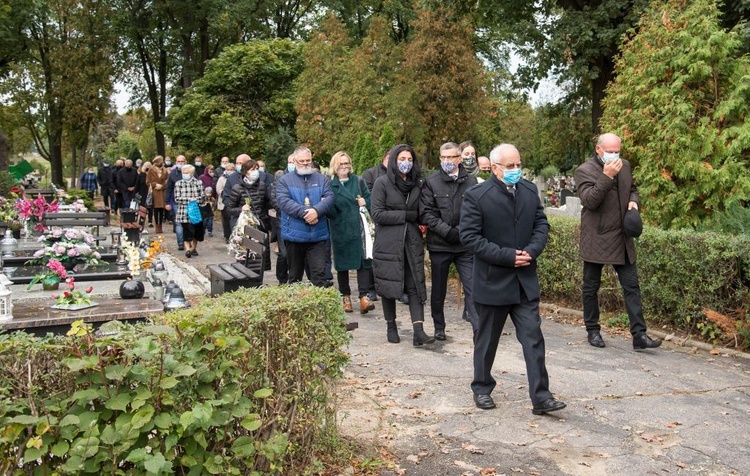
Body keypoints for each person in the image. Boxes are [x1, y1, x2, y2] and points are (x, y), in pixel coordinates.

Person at [459, 143, 565, 415]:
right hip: (493, 281)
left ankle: (541, 397)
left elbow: (541, 224)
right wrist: (507, 256)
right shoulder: (477, 196)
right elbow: (469, 238)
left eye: (519, 165)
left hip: (524, 282)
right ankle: (481, 388)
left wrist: (532, 250)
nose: (516, 170)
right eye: (510, 166)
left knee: (533, 339)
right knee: (487, 341)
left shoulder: (529, 191)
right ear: (495, 168)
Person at [574, 132, 662, 350]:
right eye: (610, 151)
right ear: (598, 150)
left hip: (621, 236)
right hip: (597, 236)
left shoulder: (625, 165)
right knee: (591, 286)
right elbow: (590, 201)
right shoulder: (584, 170)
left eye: (617, 151)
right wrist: (607, 175)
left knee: (632, 286)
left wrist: (634, 203)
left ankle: (639, 336)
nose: (614, 155)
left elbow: (633, 190)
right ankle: (593, 330)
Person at [370, 144, 434, 347]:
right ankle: (391, 326)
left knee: (415, 284)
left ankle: (418, 331)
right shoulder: (382, 183)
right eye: (401, 159)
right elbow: (377, 214)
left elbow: (422, 212)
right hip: (388, 242)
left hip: (412, 242)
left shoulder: (418, 184)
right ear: (393, 160)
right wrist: (407, 216)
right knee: (389, 284)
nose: (405, 163)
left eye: (409, 159)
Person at [420, 142, 478, 339]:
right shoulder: (431, 182)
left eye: (450, 157)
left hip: (464, 246)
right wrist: (447, 231)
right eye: (443, 158)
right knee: (438, 290)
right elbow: (427, 213)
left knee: (472, 287)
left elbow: (475, 212)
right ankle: (439, 327)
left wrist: (460, 231)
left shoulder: (471, 182)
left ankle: (478, 327)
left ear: (459, 159)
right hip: (440, 245)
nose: (446, 161)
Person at [275, 146, 334, 287]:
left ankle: (319, 306)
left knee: (319, 274)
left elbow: (329, 198)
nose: (306, 163)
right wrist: (306, 213)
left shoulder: (322, 179)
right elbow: (284, 202)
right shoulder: (285, 181)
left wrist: (316, 211)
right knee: (295, 276)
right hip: (295, 235)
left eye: (308, 160)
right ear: (294, 161)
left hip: (318, 235)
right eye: (302, 161)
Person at [327, 151, 376, 314]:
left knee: (363, 263)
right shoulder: (331, 185)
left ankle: (364, 297)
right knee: (342, 265)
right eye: (341, 164)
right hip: (340, 229)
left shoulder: (358, 181)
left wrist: (364, 202)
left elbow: (370, 200)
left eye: (347, 163)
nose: (344, 166)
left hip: (359, 228)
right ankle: (345, 296)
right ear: (335, 166)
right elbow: (328, 209)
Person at [226, 160, 270, 238]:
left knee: (262, 249)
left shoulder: (262, 185)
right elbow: (229, 209)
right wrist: (241, 209)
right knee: (247, 249)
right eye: (253, 169)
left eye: (257, 169)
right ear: (246, 172)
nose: (256, 171)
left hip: (261, 226)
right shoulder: (237, 188)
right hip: (244, 227)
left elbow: (267, 204)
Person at [173, 164, 207, 258]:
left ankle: (194, 248)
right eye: (183, 172)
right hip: (184, 211)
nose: (184, 174)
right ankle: (187, 249)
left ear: (192, 173)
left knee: (196, 230)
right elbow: (177, 198)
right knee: (186, 230)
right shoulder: (178, 184)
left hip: (196, 211)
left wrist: (195, 199)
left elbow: (203, 197)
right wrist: (188, 199)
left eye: (186, 173)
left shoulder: (198, 183)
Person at [165, 155, 188, 250]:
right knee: (178, 223)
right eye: (178, 161)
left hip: (189, 202)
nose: (180, 163)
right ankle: (181, 243)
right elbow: (169, 189)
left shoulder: (191, 173)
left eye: (182, 161)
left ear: (185, 162)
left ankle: (188, 240)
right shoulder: (173, 174)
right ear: (176, 162)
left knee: (188, 223)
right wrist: (167, 202)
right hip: (176, 202)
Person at [146, 156, 169, 234]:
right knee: (156, 209)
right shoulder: (151, 170)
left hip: (162, 191)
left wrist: (162, 186)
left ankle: (160, 226)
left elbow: (167, 181)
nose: (161, 162)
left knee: (161, 209)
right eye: (160, 161)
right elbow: (147, 181)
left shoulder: (165, 170)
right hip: (155, 192)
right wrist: (154, 185)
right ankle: (157, 226)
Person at [215, 163, 235, 242]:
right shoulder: (222, 178)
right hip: (224, 202)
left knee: (233, 220)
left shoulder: (236, 178)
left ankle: (234, 236)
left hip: (234, 201)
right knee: (226, 221)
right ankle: (227, 236)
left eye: (231, 170)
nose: (229, 171)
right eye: (228, 170)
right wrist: (225, 193)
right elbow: (218, 189)